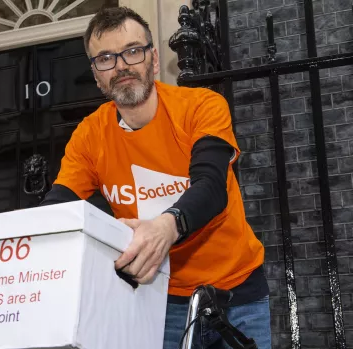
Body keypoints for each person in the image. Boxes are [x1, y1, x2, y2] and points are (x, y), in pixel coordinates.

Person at [39, 6, 271, 349]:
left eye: (132, 51)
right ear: (96, 74)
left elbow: (211, 186)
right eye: (105, 58)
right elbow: (57, 210)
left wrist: (166, 226)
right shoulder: (89, 135)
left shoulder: (202, 106)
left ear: (154, 58)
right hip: (156, 297)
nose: (121, 66)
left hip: (237, 292)